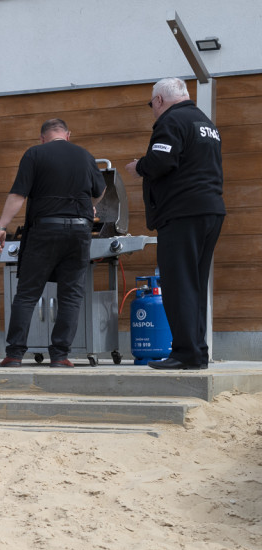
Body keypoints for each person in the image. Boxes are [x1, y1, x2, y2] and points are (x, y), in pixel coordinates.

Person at [125, 77, 224, 371]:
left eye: (151, 104)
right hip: (210, 210)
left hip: (182, 213)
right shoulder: (205, 123)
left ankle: (184, 353)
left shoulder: (172, 121)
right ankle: (196, 352)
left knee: (179, 285)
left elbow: (162, 160)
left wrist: (138, 167)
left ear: (159, 101)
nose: (153, 110)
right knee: (194, 285)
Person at [0, 118, 105, 368]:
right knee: (71, 295)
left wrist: (2, 226)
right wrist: (90, 207)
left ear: (42, 137)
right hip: (79, 231)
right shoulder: (85, 155)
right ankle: (60, 356)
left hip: (45, 229)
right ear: (68, 135)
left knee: (27, 293)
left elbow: (18, 195)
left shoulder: (35, 154)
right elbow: (100, 190)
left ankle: (14, 355)